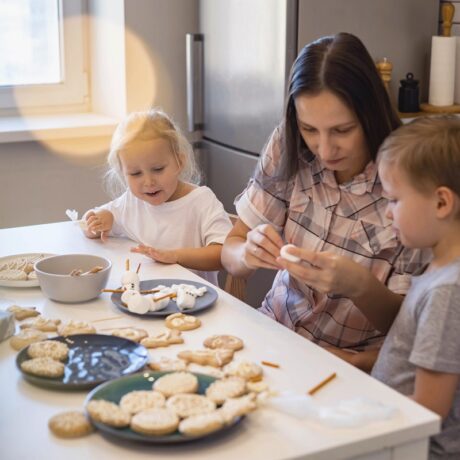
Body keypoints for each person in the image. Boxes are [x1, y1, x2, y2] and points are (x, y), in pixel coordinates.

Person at [221, 32, 430, 371]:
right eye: (309, 129)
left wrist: (359, 286)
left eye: (342, 130)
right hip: (272, 335)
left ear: (370, 113)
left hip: (352, 365)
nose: (324, 149)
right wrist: (246, 253)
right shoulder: (288, 145)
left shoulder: (408, 175)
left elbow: (412, 329)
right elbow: (229, 251)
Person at [368, 116, 460, 459]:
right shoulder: (437, 266)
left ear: (441, 203)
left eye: (393, 200)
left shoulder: (447, 291)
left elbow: (428, 408)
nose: (388, 214)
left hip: (414, 449)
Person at [83, 109, 232, 285]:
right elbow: (92, 225)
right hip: (146, 299)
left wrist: (175, 256)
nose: (148, 181)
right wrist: (96, 222)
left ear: (180, 161)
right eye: (135, 173)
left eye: (158, 169)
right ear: (123, 173)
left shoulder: (201, 201)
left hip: (195, 304)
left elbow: (224, 254)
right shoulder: (132, 201)